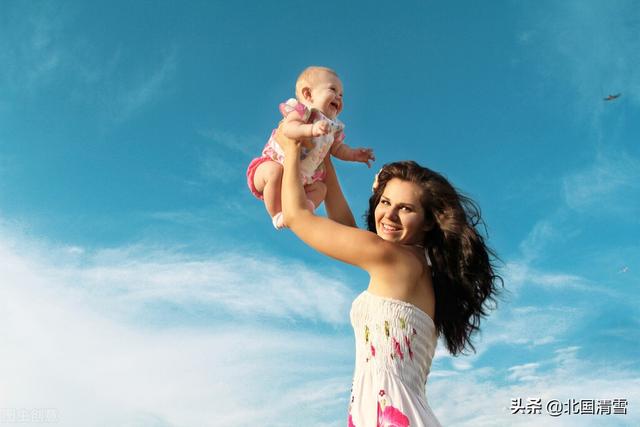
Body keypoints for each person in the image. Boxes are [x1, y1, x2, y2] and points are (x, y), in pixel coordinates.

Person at [278, 136, 502, 426]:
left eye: (406, 208)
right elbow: (347, 231)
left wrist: (292, 146)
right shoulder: (422, 267)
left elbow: (297, 216)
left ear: (429, 220)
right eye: (385, 202)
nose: (390, 214)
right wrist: (325, 154)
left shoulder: (393, 259)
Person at [246, 66, 375, 229]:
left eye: (341, 95)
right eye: (333, 90)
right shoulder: (303, 112)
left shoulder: (334, 126)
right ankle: (277, 214)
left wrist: (354, 155)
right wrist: (311, 129)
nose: (339, 97)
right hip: (271, 165)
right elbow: (288, 129)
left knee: (321, 189)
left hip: (302, 179)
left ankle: (304, 209)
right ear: (308, 94)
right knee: (274, 171)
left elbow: (337, 149)